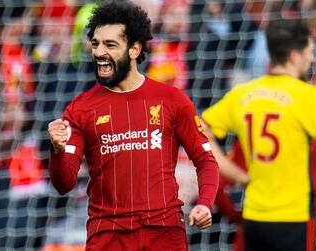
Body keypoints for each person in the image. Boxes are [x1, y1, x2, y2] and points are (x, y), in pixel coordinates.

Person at [47, 1, 219, 250]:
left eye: (110, 44)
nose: (99, 52)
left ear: (134, 49)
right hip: (108, 235)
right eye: (96, 44)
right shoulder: (80, 109)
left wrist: (205, 202)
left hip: (163, 233)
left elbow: (205, 160)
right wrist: (57, 150)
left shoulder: (172, 100)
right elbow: (64, 184)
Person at [201, 18, 316, 251]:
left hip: (253, 215)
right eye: (310, 51)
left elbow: (198, 131)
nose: (313, 58)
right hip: (292, 218)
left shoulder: (243, 93)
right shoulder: (307, 95)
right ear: (294, 56)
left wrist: (234, 173)